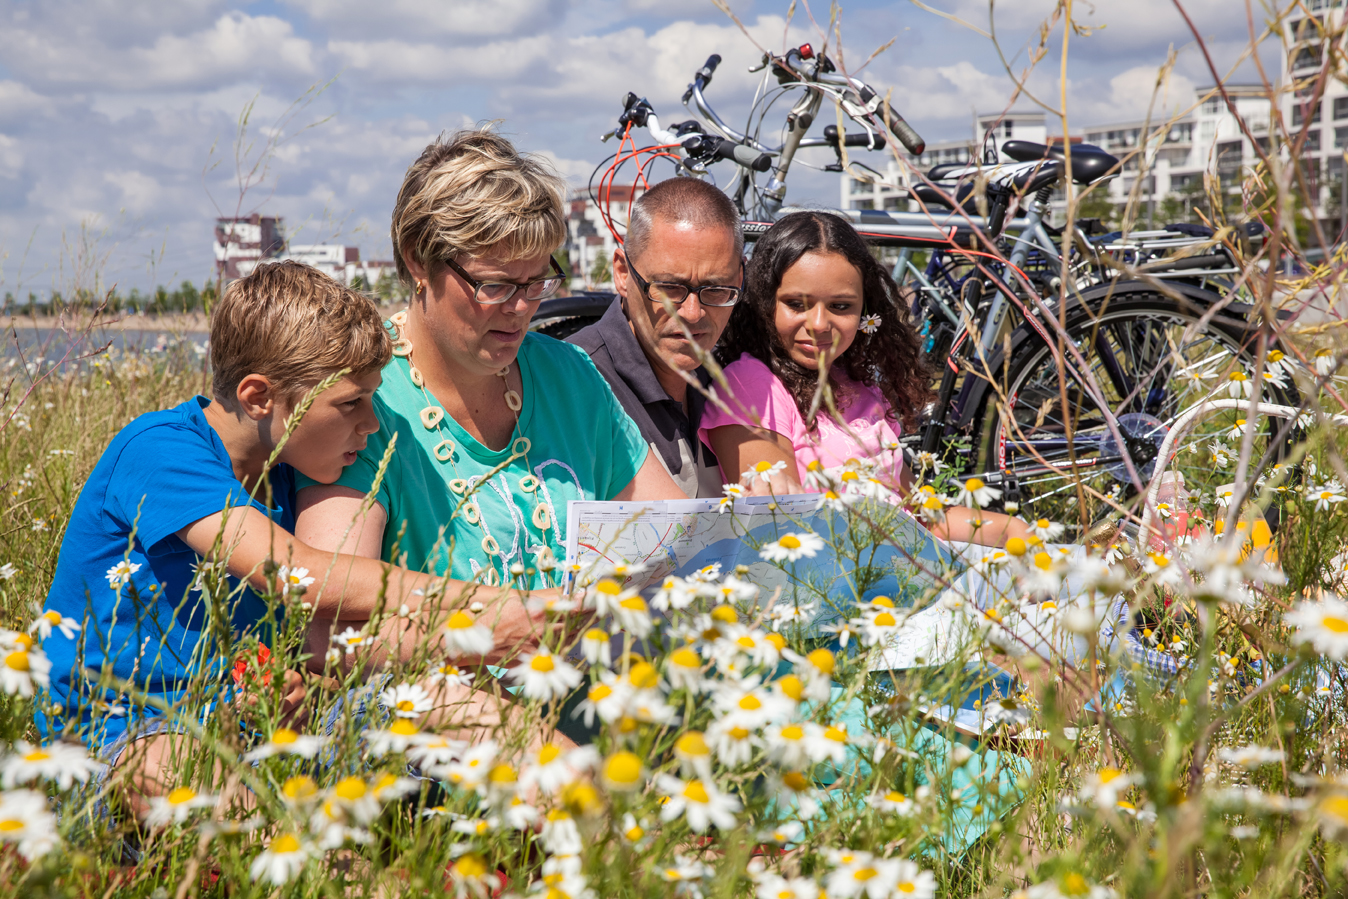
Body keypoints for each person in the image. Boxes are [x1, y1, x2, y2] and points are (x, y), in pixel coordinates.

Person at [38, 261, 563, 817]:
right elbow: (302, 575)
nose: (372, 423)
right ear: (260, 396)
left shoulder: (291, 472)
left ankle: (608, 821)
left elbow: (317, 645)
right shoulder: (160, 451)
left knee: (461, 707)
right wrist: (491, 606)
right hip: (121, 732)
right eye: (350, 403)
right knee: (192, 773)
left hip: (256, 728)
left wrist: (301, 685)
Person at [294, 129, 684, 610]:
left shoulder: (572, 376)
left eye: (537, 281)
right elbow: (333, 619)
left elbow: (677, 534)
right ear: (419, 259)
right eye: (495, 285)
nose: (521, 308)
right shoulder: (361, 401)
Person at [699, 210, 1029, 547]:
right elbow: (782, 524)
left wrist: (1013, 530)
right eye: (796, 304)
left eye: (840, 306)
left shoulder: (860, 388)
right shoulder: (753, 384)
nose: (818, 324)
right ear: (765, 303)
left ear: (864, 311)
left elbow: (919, 514)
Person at [567, 178, 743, 498]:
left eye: (716, 289)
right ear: (622, 273)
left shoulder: (735, 377)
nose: (692, 313)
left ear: (740, 278)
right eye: (668, 288)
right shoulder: (576, 383)